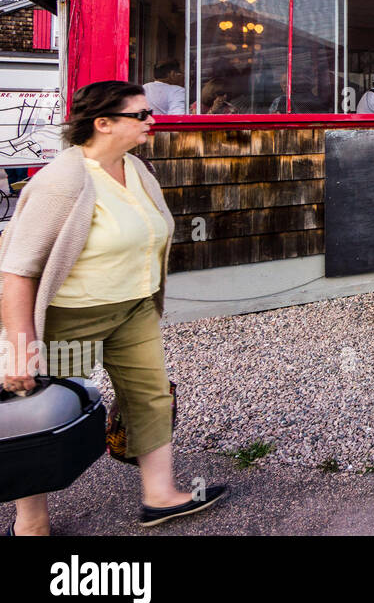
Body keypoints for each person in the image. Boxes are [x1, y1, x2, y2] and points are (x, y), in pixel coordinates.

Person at [0, 81, 228, 534]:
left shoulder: (136, 169)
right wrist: (19, 347)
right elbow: (17, 270)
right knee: (39, 409)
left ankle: (160, 496)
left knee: (151, 398)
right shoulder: (63, 181)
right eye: (140, 115)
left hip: (135, 310)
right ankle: (30, 522)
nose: (152, 121)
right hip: (73, 315)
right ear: (102, 124)